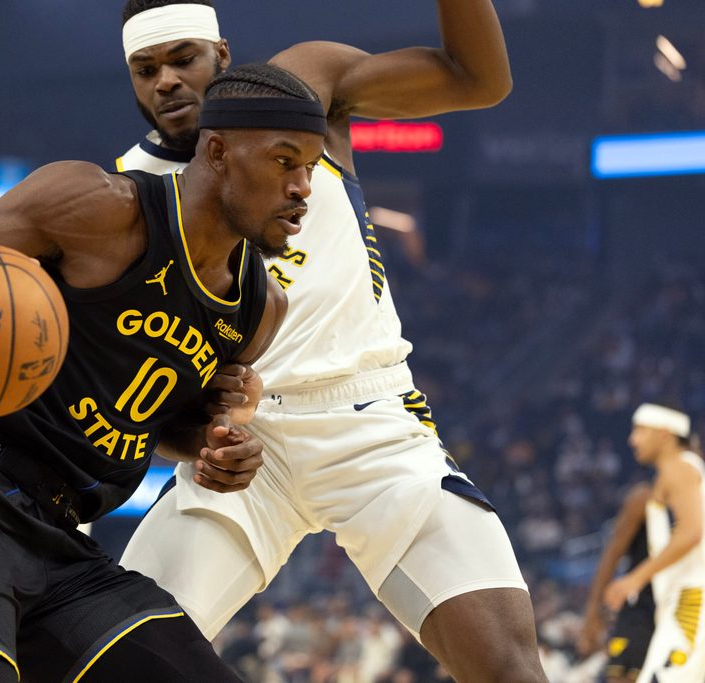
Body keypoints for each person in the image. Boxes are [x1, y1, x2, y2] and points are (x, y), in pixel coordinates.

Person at [114, 2, 547, 680]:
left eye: (183, 59)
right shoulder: (125, 194)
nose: (166, 81)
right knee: (116, 657)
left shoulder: (302, 83)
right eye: (146, 69)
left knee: (507, 665)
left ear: (222, 56)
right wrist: (197, 435)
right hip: (244, 446)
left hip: (370, 419)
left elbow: (478, 79)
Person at [0, 63, 323, 682]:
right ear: (217, 151)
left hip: (63, 540)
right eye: (284, 160)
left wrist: (214, 447)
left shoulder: (257, 308)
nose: (303, 187)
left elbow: (166, 428)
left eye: (311, 168)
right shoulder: (101, 210)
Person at [600, 403, 705, 683]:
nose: (632, 439)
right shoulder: (680, 469)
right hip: (679, 599)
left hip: (692, 599)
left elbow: (692, 532)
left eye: (640, 430)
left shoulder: (679, 467)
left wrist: (635, 578)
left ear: (664, 433)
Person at [578, 482, 654, 682]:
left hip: (684, 607)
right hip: (641, 609)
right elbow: (612, 555)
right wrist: (593, 614)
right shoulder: (645, 498)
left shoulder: (695, 501)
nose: (635, 447)